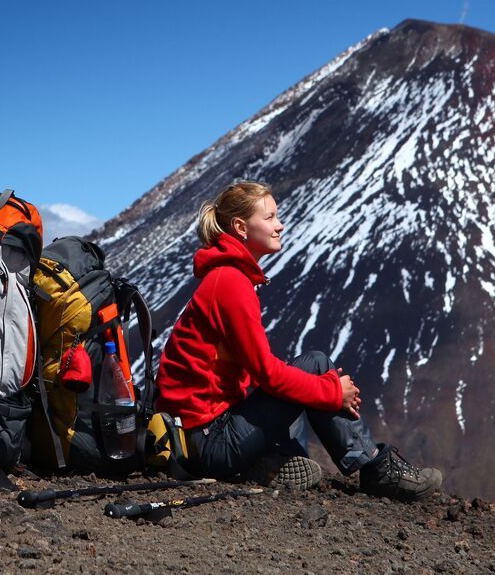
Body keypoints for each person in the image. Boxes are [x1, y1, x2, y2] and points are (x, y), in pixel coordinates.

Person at [156, 181, 443, 499]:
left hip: (201, 435)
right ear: (240, 227)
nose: (279, 225)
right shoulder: (230, 283)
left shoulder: (227, 278)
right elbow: (266, 374)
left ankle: (273, 462)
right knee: (317, 366)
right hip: (209, 442)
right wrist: (334, 393)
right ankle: (377, 469)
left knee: (307, 372)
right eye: (269, 218)